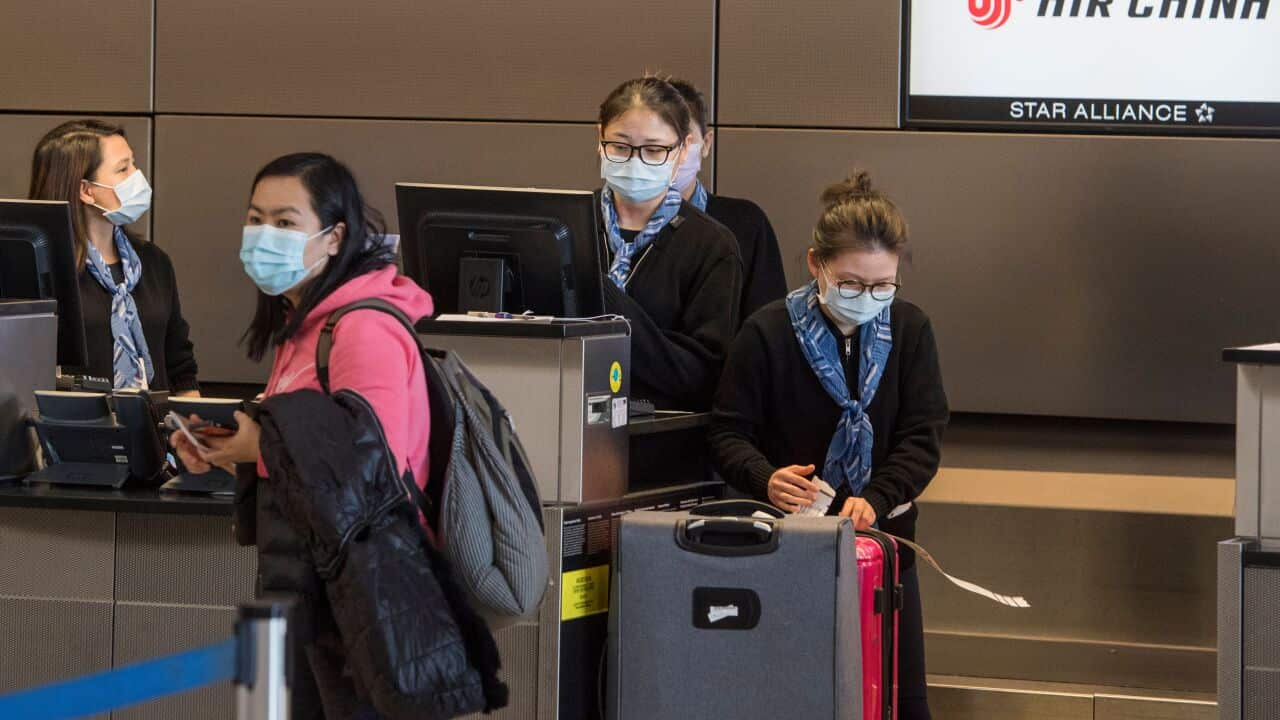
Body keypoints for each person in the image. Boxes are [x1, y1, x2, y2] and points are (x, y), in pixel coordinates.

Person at [171, 152, 435, 718]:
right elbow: (304, 447)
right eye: (255, 218)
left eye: (286, 223)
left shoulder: (363, 327)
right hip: (295, 585)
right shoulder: (302, 327)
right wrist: (225, 452)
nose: (264, 235)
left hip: (361, 599)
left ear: (335, 237)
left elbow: (373, 462)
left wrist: (258, 449)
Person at [709, 171, 948, 720]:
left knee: (897, 698)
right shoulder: (767, 332)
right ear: (816, 264)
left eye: (883, 286)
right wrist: (765, 477)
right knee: (792, 695)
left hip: (883, 547)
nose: (868, 299)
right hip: (786, 545)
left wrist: (880, 496)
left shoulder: (910, 330)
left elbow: (923, 434)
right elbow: (727, 431)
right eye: (851, 284)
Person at [595, 76, 744, 411]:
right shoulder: (571, 223)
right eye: (620, 146)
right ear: (599, 138)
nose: (635, 162)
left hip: (661, 438)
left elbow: (701, 376)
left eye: (654, 150)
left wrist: (606, 300)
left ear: (682, 150)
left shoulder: (711, 244)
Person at [29, 120, 199, 394]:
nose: (137, 176)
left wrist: (192, 431)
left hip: (152, 431)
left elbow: (180, 365)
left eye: (133, 164)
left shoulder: (154, 263)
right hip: (72, 430)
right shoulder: (42, 271)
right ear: (86, 190)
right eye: (123, 169)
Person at [667, 78, 788, 321]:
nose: (670, 150)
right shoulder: (602, 223)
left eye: (683, 138)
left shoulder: (745, 224)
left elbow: (767, 330)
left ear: (706, 143)